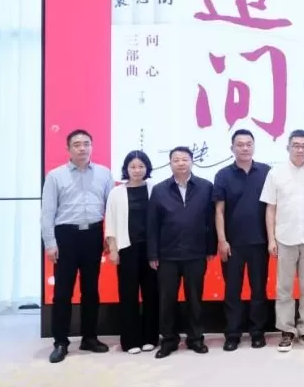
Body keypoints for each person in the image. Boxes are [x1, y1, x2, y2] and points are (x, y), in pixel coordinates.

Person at [41, 129, 113, 363]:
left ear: (92, 146)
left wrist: (109, 237)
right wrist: (50, 243)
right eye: (77, 144)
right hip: (66, 237)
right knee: (63, 292)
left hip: (93, 234)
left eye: (86, 143)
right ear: (68, 149)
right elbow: (47, 213)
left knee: (91, 290)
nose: (82, 148)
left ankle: (89, 337)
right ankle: (61, 341)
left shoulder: (104, 173)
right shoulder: (55, 176)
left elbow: (111, 209)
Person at [148, 146, 216, 358]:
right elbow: (152, 225)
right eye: (176, 160)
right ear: (170, 164)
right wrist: (153, 254)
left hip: (196, 253)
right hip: (167, 255)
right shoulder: (159, 190)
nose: (180, 163)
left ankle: (195, 338)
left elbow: (211, 220)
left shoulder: (205, 187)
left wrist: (211, 247)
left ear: (192, 161)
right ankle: (169, 340)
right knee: (167, 300)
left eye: (184, 159)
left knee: (195, 300)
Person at [260, 129, 304, 352]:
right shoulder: (275, 172)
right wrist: (271, 239)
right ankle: (286, 330)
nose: (300, 149)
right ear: (288, 147)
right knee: (284, 287)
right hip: (284, 238)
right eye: (296, 145)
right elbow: (270, 208)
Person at [213, 129, 272, 351]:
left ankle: (257, 332)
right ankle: (233, 334)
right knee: (232, 291)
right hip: (233, 244)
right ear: (232, 148)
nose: (244, 148)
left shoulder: (266, 172)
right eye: (240, 144)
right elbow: (219, 211)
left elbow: (272, 208)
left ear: (254, 147)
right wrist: (222, 240)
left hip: (260, 242)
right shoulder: (223, 175)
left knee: (259, 290)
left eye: (248, 144)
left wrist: (272, 239)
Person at [104, 150, 159, 354]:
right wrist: (113, 248)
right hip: (127, 248)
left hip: (151, 249)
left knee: (151, 293)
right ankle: (130, 340)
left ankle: (150, 337)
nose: (137, 170)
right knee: (128, 294)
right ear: (126, 169)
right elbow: (110, 222)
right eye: (133, 167)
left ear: (147, 168)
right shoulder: (116, 192)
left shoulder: (154, 188)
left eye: (141, 166)